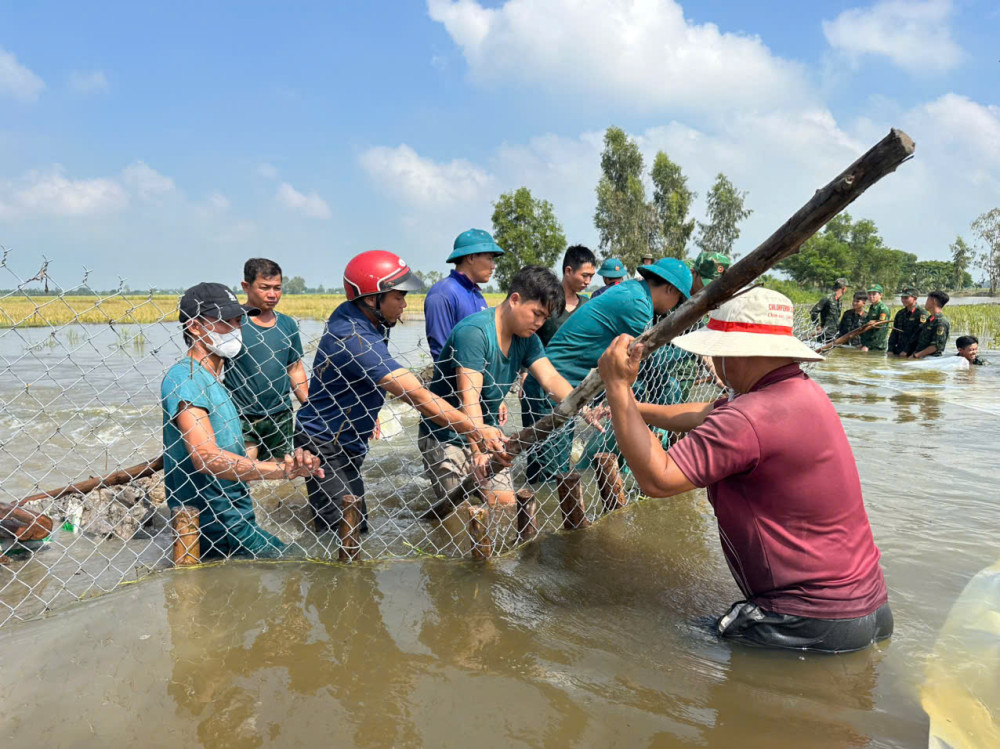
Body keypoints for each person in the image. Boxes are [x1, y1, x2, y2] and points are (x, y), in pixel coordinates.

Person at [597, 287, 892, 653]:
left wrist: (616, 386)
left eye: (718, 352)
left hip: (806, 621)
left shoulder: (749, 417)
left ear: (738, 354)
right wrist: (631, 408)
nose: (716, 362)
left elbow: (658, 478)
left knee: (652, 646)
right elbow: (703, 414)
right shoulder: (798, 392)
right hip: (869, 605)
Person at [294, 250, 507, 533]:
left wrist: (368, 411)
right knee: (343, 534)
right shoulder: (354, 338)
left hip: (345, 435)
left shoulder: (367, 318)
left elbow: (359, 379)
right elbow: (417, 395)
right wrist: (477, 429)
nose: (405, 304)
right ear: (372, 298)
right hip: (326, 445)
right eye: (399, 296)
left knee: (356, 527)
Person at [162, 282, 324, 559]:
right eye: (225, 322)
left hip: (236, 517)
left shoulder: (213, 379)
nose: (236, 329)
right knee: (304, 566)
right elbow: (206, 457)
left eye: (238, 321)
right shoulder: (185, 379)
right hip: (220, 525)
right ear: (195, 327)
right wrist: (281, 471)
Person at [419, 266, 591, 508]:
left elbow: (551, 379)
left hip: (490, 435)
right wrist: (478, 451)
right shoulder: (475, 333)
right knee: (459, 518)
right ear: (515, 299)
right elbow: (469, 398)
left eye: (545, 318)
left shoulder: (528, 339)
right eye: (536, 314)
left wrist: (583, 408)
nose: (540, 323)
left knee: (506, 509)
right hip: (447, 434)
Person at [522, 257, 692, 483]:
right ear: (670, 289)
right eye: (678, 300)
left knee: (544, 473)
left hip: (559, 386)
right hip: (552, 388)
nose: (674, 307)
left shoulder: (634, 292)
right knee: (553, 480)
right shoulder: (638, 305)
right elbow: (647, 364)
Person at [224, 258, 308, 461]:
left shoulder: (287, 324)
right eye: (264, 287)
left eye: (277, 288)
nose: (272, 294)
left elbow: (295, 369)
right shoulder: (233, 323)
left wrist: (309, 405)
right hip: (242, 413)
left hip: (280, 414)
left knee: (280, 473)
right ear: (246, 286)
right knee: (246, 466)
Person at [424, 228, 505, 361]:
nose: (493, 266)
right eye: (489, 259)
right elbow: (441, 353)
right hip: (456, 378)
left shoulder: (477, 295)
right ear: (471, 257)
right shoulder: (443, 293)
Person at [535, 245, 596, 346]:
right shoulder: (545, 301)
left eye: (591, 276)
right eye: (585, 276)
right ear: (568, 271)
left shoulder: (587, 305)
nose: (588, 282)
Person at [887, 286, 928, 357]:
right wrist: (890, 349)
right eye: (902, 298)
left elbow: (918, 334)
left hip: (913, 352)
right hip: (899, 349)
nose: (903, 300)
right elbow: (894, 332)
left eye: (906, 298)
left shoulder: (921, 314)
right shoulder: (900, 313)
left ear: (915, 298)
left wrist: (906, 350)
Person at [911, 291, 951, 359]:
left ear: (934, 301)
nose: (925, 303)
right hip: (921, 356)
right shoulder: (930, 319)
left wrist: (916, 355)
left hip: (931, 358)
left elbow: (935, 346)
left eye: (927, 300)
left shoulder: (941, 322)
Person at [810, 278, 848, 343]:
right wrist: (817, 325)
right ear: (844, 288)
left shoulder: (839, 301)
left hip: (834, 335)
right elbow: (814, 312)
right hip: (825, 335)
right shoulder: (828, 298)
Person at [859, 284, 890, 352]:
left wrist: (868, 345)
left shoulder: (883, 309)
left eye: (874, 294)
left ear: (880, 295)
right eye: (869, 294)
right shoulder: (872, 307)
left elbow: (881, 330)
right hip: (868, 344)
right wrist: (864, 343)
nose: (871, 296)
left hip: (878, 346)